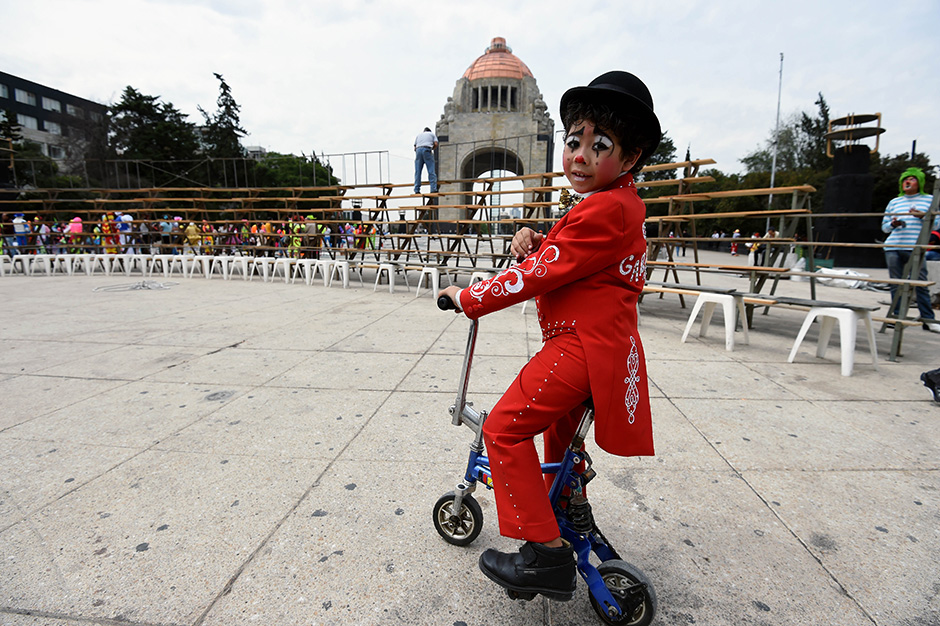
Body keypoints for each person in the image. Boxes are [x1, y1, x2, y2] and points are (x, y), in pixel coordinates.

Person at [438, 70, 660, 600]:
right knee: (556, 448)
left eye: (598, 145)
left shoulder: (606, 208)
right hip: (597, 348)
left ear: (628, 159)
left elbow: (541, 274)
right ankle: (563, 512)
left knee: (504, 429)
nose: (580, 154)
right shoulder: (613, 204)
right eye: (573, 141)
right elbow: (568, 257)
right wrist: (539, 239)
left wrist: (470, 297)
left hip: (581, 347)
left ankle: (545, 555)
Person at [881, 167, 940, 332]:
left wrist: (922, 216)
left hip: (915, 246)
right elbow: (884, 228)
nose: (908, 182)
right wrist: (893, 224)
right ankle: (897, 317)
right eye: (905, 179)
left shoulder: (929, 200)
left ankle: (928, 319)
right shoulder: (894, 202)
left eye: (912, 179)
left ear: (919, 182)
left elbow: (937, 224)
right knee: (896, 284)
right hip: (893, 246)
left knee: (920, 283)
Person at [413, 127, 438, 194]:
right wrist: (432, 149)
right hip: (427, 150)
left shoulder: (419, 135)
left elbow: (415, 148)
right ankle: (433, 189)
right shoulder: (432, 134)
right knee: (431, 170)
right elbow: (435, 144)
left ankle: (416, 189)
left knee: (418, 171)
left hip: (418, 150)